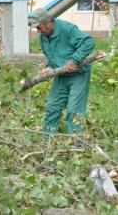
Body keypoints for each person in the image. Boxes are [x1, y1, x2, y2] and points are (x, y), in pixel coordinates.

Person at [30, 8, 95, 138]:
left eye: (39, 27)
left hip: (78, 75)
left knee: (73, 111)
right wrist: (49, 67)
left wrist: (74, 60)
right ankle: (47, 144)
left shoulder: (67, 29)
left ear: (49, 22)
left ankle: (76, 145)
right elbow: (52, 55)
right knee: (52, 108)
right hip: (61, 75)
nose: (38, 31)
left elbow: (88, 42)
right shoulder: (43, 37)